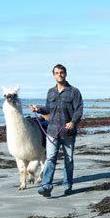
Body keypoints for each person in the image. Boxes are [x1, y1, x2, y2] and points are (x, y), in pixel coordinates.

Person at [30, 64, 83, 197]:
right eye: (57, 73)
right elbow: (48, 109)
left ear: (66, 74)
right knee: (50, 159)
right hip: (52, 131)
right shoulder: (50, 92)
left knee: (68, 160)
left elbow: (79, 110)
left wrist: (73, 122)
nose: (59, 75)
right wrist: (38, 109)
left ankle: (67, 184)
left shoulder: (74, 92)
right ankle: (46, 186)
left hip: (68, 132)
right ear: (53, 75)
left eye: (62, 72)